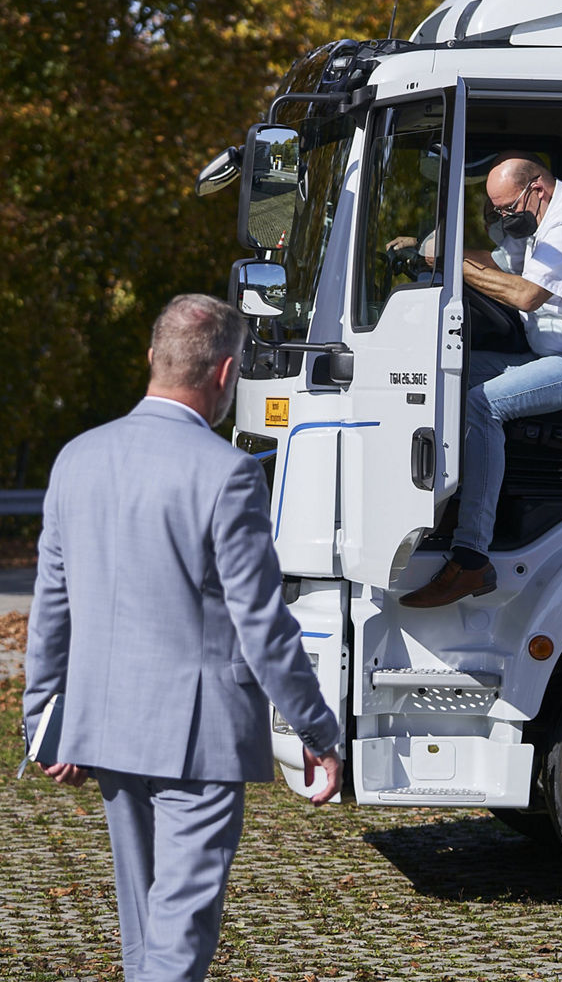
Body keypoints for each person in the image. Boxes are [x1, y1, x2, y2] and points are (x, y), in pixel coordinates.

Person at [23, 293, 342, 982]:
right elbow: (262, 624)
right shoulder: (227, 472)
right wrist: (317, 729)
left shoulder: (77, 458)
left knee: (146, 929)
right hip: (199, 738)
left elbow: (52, 605)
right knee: (179, 934)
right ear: (226, 374)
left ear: (152, 357)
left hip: (106, 726)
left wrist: (44, 720)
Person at [400, 153, 562, 609]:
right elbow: (499, 263)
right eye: (496, 210)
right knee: (444, 371)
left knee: (482, 404)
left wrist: (453, 264)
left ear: (537, 189)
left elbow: (528, 295)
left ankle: (471, 557)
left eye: (506, 208)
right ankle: (448, 504)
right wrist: (428, 251)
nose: (501, 218)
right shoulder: (535, 219)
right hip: (554, 354)